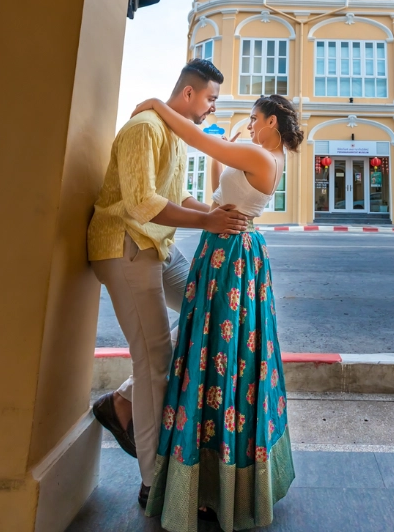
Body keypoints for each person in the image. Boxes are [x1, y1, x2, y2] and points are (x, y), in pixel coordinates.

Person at [131, 94, 303, 532]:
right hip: (233, 253)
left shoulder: (257, 154)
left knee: (215, 354)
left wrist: (156, 103)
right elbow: (219, 186)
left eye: (253, 118)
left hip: (228, 257)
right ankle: (218, 479)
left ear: (269, 121)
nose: (248, 123)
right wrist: (234, 137)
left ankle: (209, 481)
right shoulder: (266, 156)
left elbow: (195, 137)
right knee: (224, 354)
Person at [87, 59, 248, 509]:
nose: (211, 109)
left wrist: (219, 219)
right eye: (211, 99)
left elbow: (176, 196)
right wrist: (205, 220)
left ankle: (120, 403)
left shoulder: (174, 134)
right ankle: (154, 482)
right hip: (126, 246)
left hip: (156, 245)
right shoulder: (145, 128)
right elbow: (142, 204)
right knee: (155, 361)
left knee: (209, 311)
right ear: (189, 94)